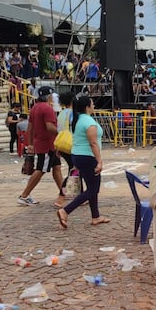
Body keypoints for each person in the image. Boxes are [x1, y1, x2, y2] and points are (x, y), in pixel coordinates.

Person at [56, 96, 108, 228]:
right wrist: (99, 161)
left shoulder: (78, 119)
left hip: (78, 156)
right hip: (87, 157)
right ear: (87, 107)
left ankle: (95, 216)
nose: (94, 106)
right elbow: (93, 143)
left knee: (92, 187)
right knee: (93, 190)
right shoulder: (88, 122)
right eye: (92, 104)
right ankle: (65, 210)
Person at [17, 87, 63, 206]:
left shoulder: (35, 108)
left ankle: (63, 192)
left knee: (57, 167)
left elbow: (30, 127)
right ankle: (24, 195)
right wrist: (62, 133)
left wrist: (31, 143)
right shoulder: (48, 109)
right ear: (49, 96)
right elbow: (49, 127)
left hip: (42, 143)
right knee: (41, 169)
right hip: (47, 144)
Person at [55, 91, 77, 203]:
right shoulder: (73, 113)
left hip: (62, 143)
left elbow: (58, 130)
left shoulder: (61, 114)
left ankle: (77, 194)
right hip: (71, 144)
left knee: (74, 168)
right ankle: (61, 195)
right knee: (74, 169)